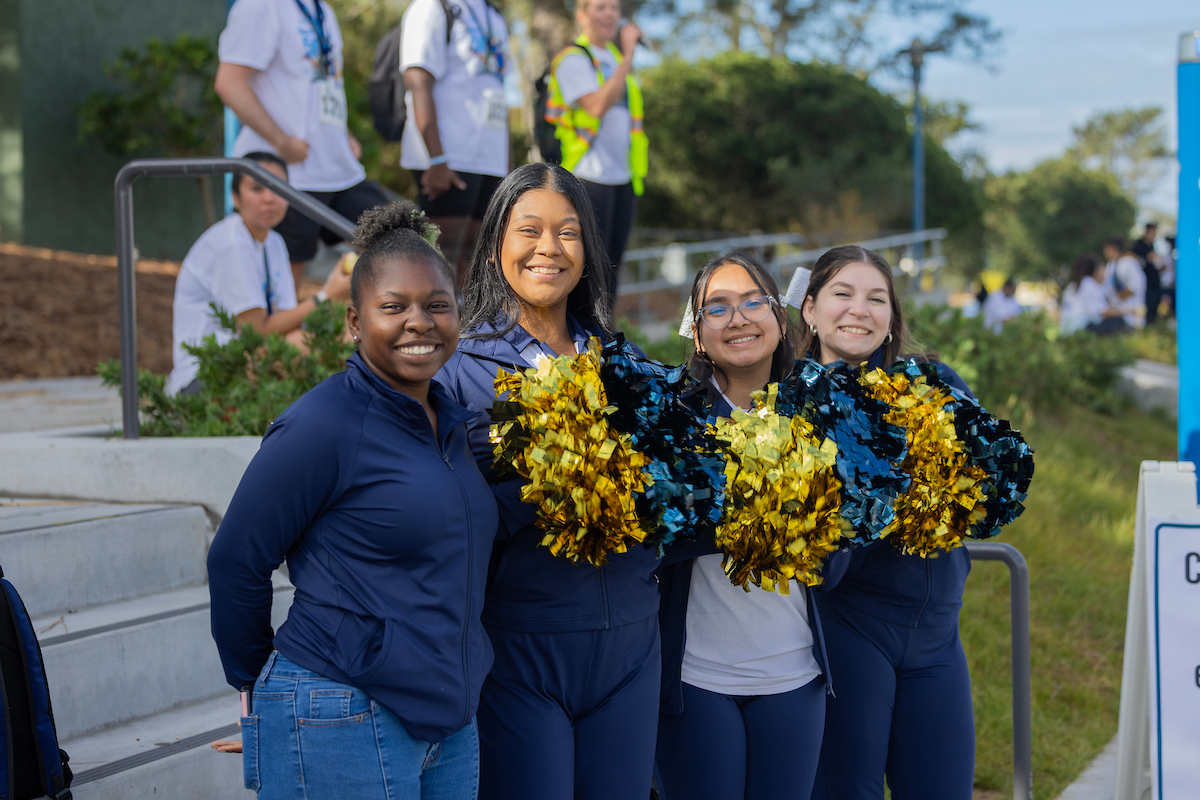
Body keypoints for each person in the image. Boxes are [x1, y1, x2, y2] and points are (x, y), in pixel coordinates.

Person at [206, 201, 500, 799]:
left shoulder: (456, 426)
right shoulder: (323, 424)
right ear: (354, 321)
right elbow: (234, 561)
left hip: (450, 719)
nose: (419, 321)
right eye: (393, 307)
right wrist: (257, 689)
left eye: (437, 305)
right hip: (341, 707)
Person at [437, 162, 660, 800]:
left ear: (588, 252)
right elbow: (451, 517)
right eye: (528, 229)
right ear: (495, 247)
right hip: (522, 652)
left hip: (632, 650)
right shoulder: (455, 372)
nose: (548, 248)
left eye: (568, 232)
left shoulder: (630, 368)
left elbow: (666, 506)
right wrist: (546, 483)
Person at [654, 251, 832, 800]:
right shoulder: (669, 414)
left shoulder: (822, 411)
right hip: (696, 678)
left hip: (793, 675)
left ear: (781, 321)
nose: (739, 318)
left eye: (755, 302)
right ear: (698, 333)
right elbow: (652, 540)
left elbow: (841, 554)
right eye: (718, 308)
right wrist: (737, 512)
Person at [801, 245, 977, 800]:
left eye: (877, 298)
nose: (860, 309)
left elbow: (979, 484)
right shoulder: (790, 405)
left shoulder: (933, 383)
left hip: (937, 635)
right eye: (843, 294)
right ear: (809, 309)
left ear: (892, 318)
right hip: (849, 630)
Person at [216, 0, 389, 285]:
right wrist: (281, 142)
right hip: (286, 175)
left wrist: (342, 133)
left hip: (337, 169)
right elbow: (229, 83)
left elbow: (321, 84)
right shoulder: (261, 6)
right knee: (284, 280)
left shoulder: (324, 11)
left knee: (397, 240)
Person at [167, 151, 351, 396]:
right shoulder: (231, 242)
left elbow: (285, 321)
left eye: (278, 188)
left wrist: (334, 295)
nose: (269, 198)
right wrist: (327, 296)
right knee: (330, 341)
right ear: (235, 197)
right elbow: (256, 332)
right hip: (205, 379)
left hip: (244, 364)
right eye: (257, 188)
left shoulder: (273, 242)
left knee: (349, 330)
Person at [401, 0, 511, 281]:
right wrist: (437, 159)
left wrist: (508, 170)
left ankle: (467, 326)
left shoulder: (494, 18)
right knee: (440, 259)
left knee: (479, 260)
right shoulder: (433, 7)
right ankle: (436, 325)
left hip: (489, 160)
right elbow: (417, 79)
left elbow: (499, 94)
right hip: (449, 156)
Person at [545, 0, 647, 292]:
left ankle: (606, 338)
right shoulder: (573, 57)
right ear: (582, 15)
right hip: (587, 175)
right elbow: (596, 107)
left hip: (624, 176)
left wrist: (623, 57)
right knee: (588, 271)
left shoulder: (615, 57)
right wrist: (629, 55)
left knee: (612, 271)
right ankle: (582, 337)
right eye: (601, 7)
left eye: (615, 8)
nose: (610, 14)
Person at [1059, 254, 1125, 336]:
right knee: (1118, 321)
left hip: (1066, 331)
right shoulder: (1088, 283)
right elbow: (1100, 313)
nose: (1105, 272)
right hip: (1080, 329)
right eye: (1103, 268)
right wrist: (1128, 311)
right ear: (1096, 270)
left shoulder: (1072, 285)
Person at [1102, 235, 1146, 330]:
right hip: (1116, 313)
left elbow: (1134, 287)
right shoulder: (1110, 265)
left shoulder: (1129, 262)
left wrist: (1116, 299)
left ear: (1111, 248)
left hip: (1130, 316)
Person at [1131, 222, 1163, 325]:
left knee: (1154, 306)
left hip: (1154, 283)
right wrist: (1147, 259)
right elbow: (1137, 263)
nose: (1154, 235)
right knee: (1147, 307)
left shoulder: (1152, 246)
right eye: (1153, 232)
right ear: (1147, 232)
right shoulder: (1138, 247)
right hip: (1144, 284)